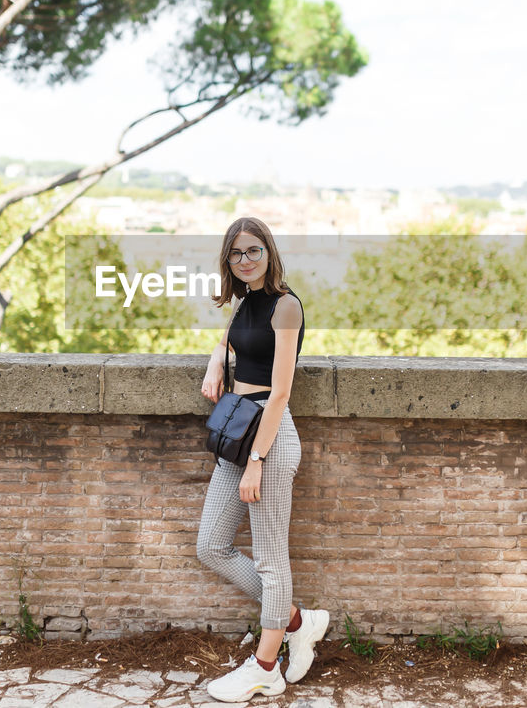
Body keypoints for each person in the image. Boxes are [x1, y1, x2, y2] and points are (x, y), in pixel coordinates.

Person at [197, 217, 330, 703]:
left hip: (268, 438)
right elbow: (230, 341)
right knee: (212, 545)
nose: (245, 260)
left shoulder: (286, 306)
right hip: (237, 432)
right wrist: (216, 361)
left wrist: (257, 460)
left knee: (273, 562)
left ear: (269, 252)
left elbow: (280, 393)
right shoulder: (245, 303)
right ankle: (298, 621)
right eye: (236, 254)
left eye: (253, 251)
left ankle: (265, 668)